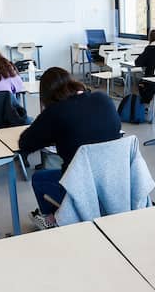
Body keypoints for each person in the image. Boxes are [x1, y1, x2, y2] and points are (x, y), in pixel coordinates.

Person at [18, 67, 121, 230]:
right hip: (117, 183)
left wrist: (52, 135)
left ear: (45, 95)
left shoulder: (55, 113)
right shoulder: (103, 99)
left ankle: (55, 222)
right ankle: (61, 216)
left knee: (40, 178)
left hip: (80, 189)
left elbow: (24, 143)